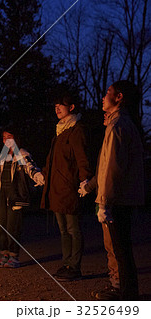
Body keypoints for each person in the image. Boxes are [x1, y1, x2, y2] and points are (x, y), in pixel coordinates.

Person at [85, 81, 144, 301]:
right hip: (122, 197)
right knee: (121, 248)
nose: (103, 96)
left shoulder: (118, 125)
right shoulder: (120, 123)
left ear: (118, 97)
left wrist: (104, 202)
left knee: (120, 249)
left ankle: (126, 295)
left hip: (118, 199)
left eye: (108, 92)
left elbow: (111, 167)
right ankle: (125, 291)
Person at [41, 91, 92, 282]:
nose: (57, 109)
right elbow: (52, 160)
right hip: (56, 188)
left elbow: (82, 158)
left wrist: (85, 179)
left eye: (61, 105)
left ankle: (75, 266)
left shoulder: (76, 130)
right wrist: (43, 175)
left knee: (73, 228)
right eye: (55, 106)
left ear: (71, 107)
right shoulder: (59, 131)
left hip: (69, 187)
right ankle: (66, 263)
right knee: (63, 230)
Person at [0, 127, 44, 268]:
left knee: (13, 226)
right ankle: (5, 255)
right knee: (3, 226)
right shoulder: (2, 156)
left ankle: (14, 257)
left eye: (9, 137)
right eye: (4, 138)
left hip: (16, 196)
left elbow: (30, 167)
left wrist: (37, 175)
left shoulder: (22, 154)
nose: (6, 140)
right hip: (2, 196)